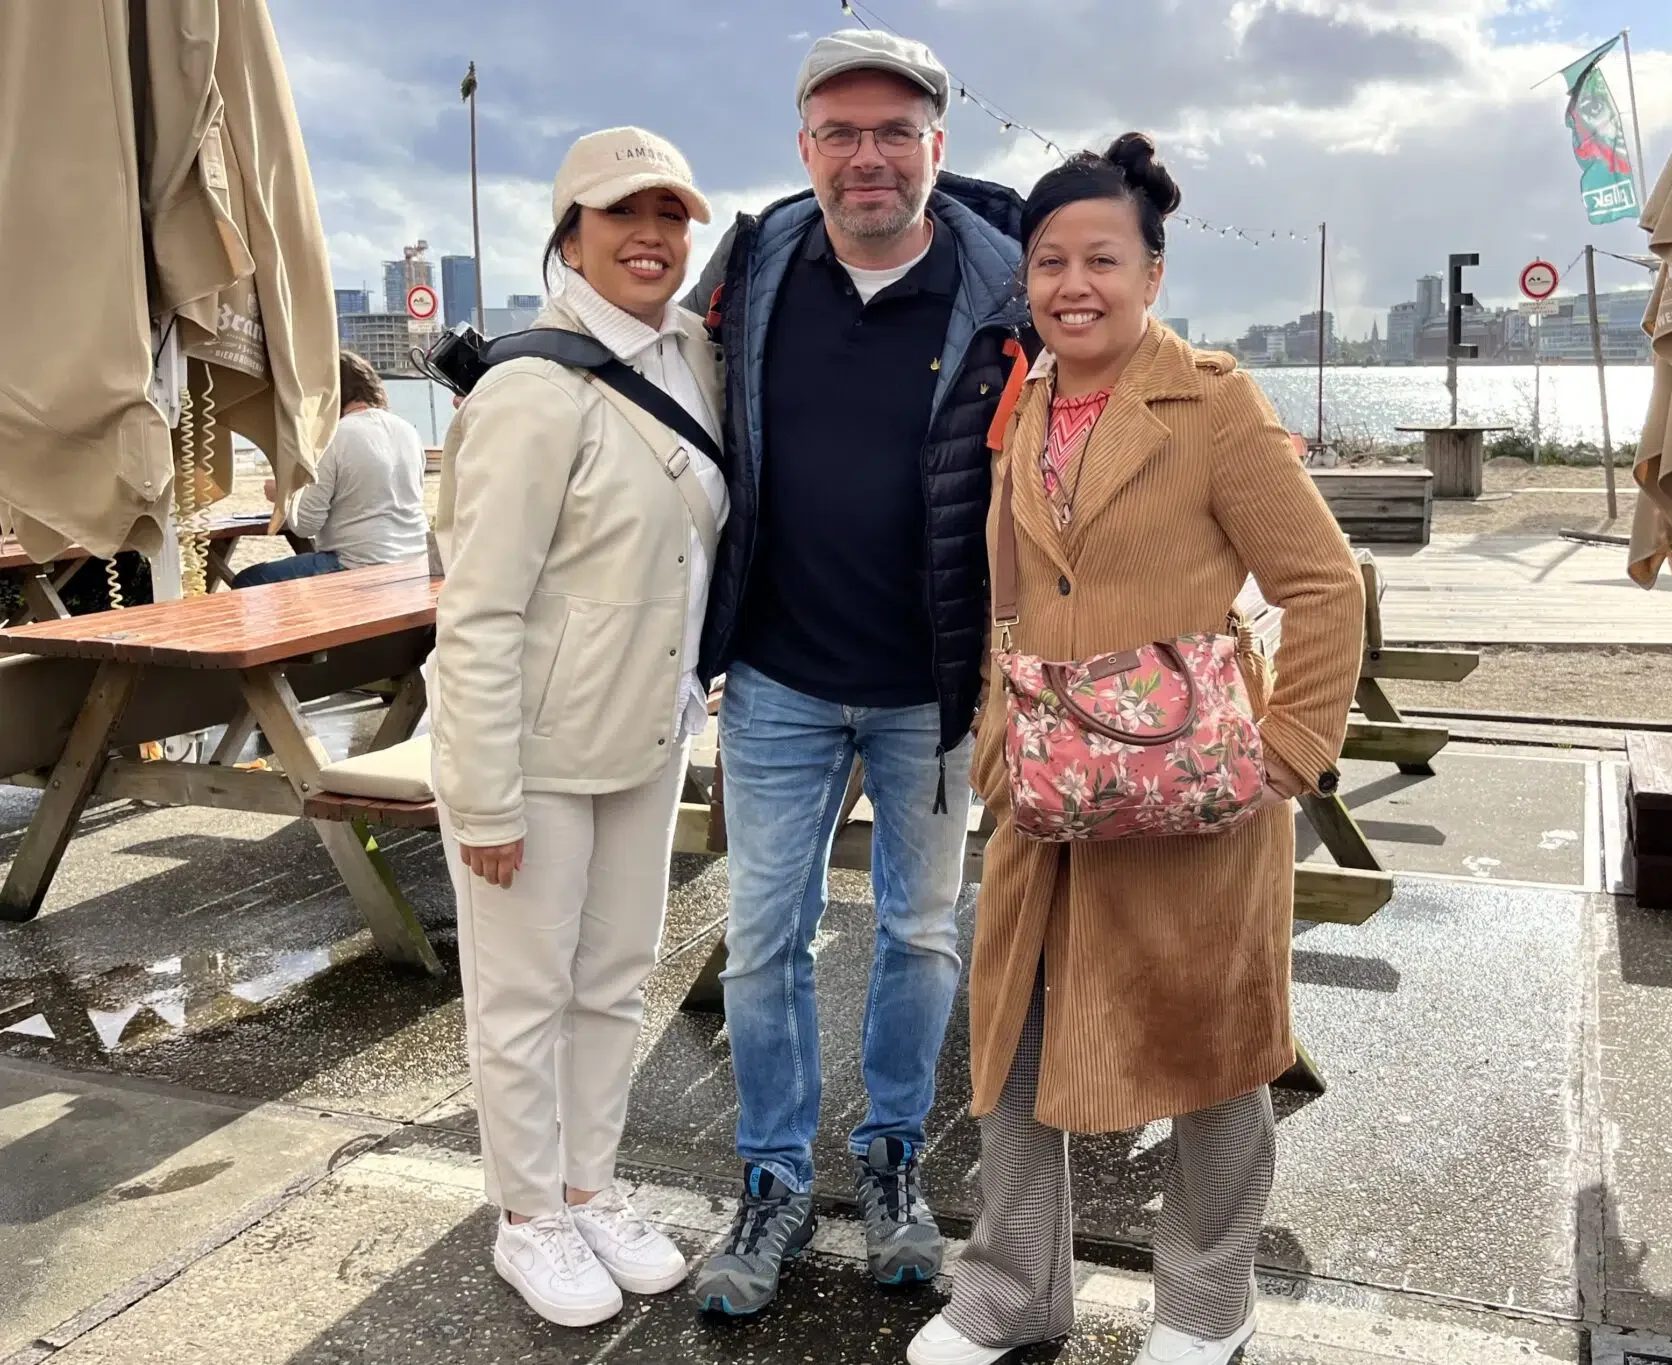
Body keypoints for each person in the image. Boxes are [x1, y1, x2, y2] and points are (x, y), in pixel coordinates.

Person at [907, 136, 1366, 1365]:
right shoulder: (1025, 402)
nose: (1072, 283)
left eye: (1101, 259)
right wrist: (999, 730)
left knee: (1215, 1048)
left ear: (1151, 273)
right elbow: (1008, 589)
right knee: (1005, 1038)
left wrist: (1282, 758)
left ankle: (1206, 1304)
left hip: (1190, 788)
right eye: (1049, 261)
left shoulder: (1212, 400)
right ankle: (1010, 1291)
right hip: (1048, 787)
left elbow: (1323, 588)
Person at [676, 29, 1026, 1317]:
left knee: (922, 932)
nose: (866, 157)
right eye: (840, 132)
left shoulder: (1005, 281)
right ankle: (769, 1178)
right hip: (775, 674)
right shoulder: (760, 258)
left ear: (938, 143)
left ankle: (889, 1164)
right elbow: (676, 394)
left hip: (932, 685)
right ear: (805, 147)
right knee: (764, 938)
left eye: (894, 132)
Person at [429, 127, 727, 1329]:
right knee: (521, 991)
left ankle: (589, 1184)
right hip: (537, 754)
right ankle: (526, 1216)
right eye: (621, 215)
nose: (650, 235)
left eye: (670, 214)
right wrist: (483, 794)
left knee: (611, 980)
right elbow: (479, 611)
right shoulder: (528, 390)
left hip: (646, 734)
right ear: (570, 234)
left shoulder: (692, 355)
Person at [231, 350, 426, 586]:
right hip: (414, 560)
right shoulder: (408, 431)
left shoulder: (333, 437)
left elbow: (305, 525)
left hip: (357, 564)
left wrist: (285, 495)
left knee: (248, 580)